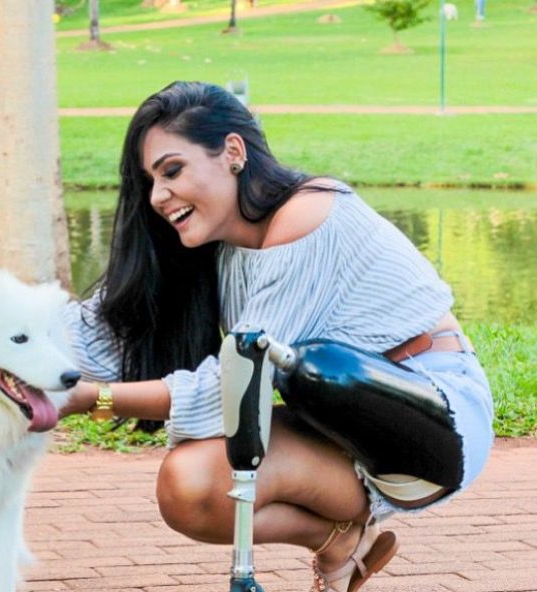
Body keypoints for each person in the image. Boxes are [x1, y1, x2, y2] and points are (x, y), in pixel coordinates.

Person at [60, 81, 494, 592]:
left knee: (282, 385)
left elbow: (231, 390)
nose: (158, 197)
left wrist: (93, 400)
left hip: (432, 424)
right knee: (188, 488)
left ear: (233, 153)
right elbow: (95, 335)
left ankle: (346, 536)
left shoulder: (309, 216)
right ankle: (336, 541)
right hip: (335, 421)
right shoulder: (210, 249)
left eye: (172, 171)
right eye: (149, 181)